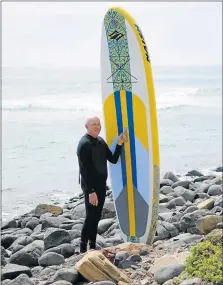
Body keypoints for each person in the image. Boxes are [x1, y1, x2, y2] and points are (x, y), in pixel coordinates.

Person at [76, 116, 127, 253]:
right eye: (94, 124)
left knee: (97, 216)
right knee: (90, 216)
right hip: (90, 187)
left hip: (101, 185)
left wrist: (119, 143)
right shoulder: (84, 144)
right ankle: (82, 248)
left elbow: (113, 159)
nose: (97, 126)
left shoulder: (100, 141)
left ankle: (92, 246)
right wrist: (91, 191)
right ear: (86, 126)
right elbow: (84, 170)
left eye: (99, 124)